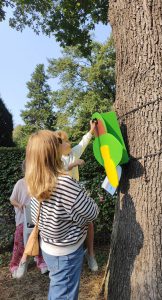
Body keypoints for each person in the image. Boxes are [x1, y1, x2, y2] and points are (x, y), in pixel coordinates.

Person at [25, 130, 99, 300]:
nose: (63, 145)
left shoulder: (34, 181)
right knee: (64, 294)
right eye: (57, 144)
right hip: (67, 253)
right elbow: (92, 213)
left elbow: (41, 214)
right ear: (52, 152)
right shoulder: (64, 183)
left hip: (50, 248)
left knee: (58, 288)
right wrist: (79, 216)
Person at [55, 120, 99, 272]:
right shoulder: (56, 161)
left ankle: (90, 254)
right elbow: (58, 176)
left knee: (89, 222)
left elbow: (83, 142)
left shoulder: (73, 152)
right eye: (66, 141)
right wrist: (72, 165)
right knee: (72, 226)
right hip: (63, 198)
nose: (69, 142)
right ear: (57, 147)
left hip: (76, 192)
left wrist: (91, 130)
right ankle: (75, 256)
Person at [9, 161, 48, 279]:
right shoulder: (20, 183)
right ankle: (16, 264)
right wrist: (19, 205)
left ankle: (41, 262)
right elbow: (12, 199)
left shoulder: (38, 183)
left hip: (36, 219)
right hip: (22, 219)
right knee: (20, 241)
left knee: (40, 239)